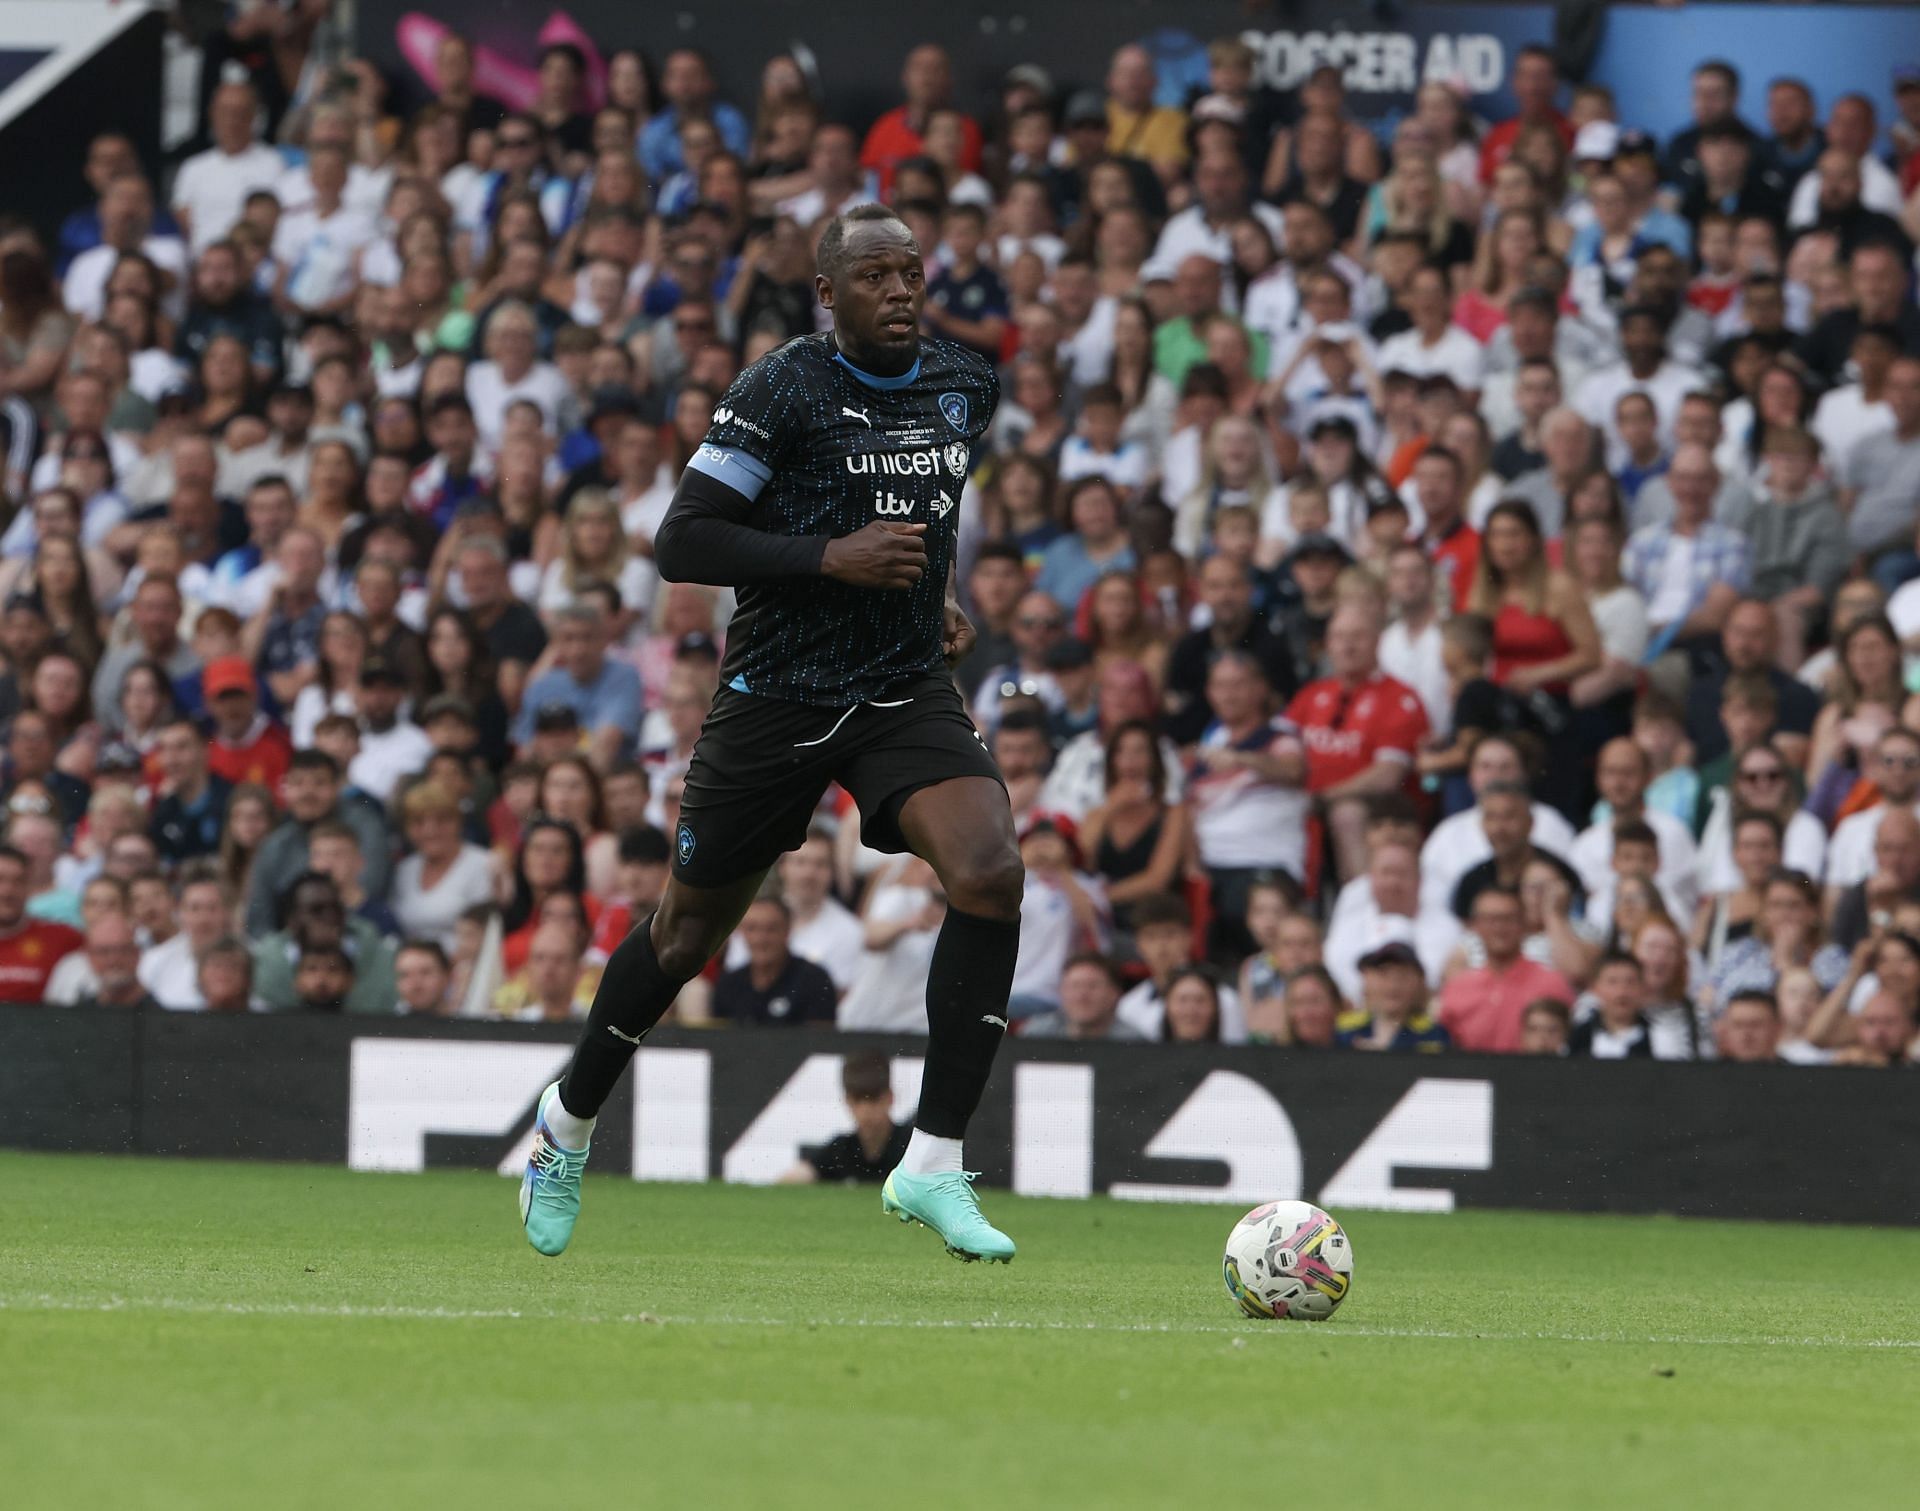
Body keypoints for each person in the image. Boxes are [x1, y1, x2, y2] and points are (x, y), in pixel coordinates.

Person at [519, 205, 1022, 1264]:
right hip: (777, 696)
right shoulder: (783, 386)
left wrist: (933, 595)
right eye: (874, 276)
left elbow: (926, 512)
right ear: (826, 294)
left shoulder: (965, 384)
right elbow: (683, 539)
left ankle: (932, 1159)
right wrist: (830, 558)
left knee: (989, 869)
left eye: (912, 272)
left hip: (898, 687)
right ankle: (567, 1122)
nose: (899, 290)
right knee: (682, 939)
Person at [1435, 885, 1574, 1052]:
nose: (1499, 928)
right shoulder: (1457, 987)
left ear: (1524, 923)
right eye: (1490, 919)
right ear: (1475, 926)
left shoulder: (1552, 984)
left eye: (1508, 919)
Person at [780, 1050, 912, 1184]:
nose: (865, 1110)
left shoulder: (911, 1146)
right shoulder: (841, 1150)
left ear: (890, 1098)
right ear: (847, 1101)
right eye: (857, 1100)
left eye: (874, 1099)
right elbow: (800, 1175)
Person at [710, 895, 837, 1027]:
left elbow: (820, 1041)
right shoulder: (728, 984)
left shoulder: (815, 980)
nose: (760, 939)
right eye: (751, 929)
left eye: (771, 929)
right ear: (741, 932)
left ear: (787, 931)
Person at [1018, 952, 1146, 1041]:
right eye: (1075, 986)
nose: (1082, 996)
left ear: (1114, 994)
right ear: (1061, 992)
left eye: (1092, 986)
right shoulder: (1036, 1034)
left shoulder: (1132, 1043)